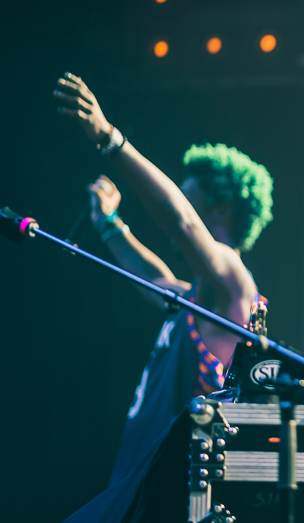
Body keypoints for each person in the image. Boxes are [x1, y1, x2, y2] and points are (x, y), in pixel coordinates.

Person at [54, 71, 273, 484]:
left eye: (186, 193)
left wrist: (108, 138)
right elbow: (154, 281)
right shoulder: (198, 299)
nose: (175, 202)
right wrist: (108, 224)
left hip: (181, 493)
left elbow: (183, 222)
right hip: (146, 482)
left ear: (222, 209)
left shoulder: (234, 282)